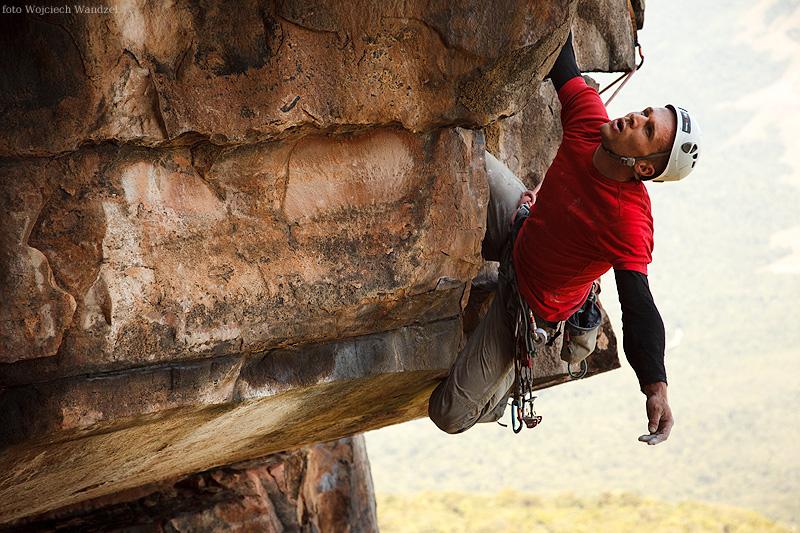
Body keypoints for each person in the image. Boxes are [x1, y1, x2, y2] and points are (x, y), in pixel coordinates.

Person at [428, 32, 702, 446]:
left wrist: (655, 386)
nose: (633, 117)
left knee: (448, 414)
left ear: (644, 169)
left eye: (646, 130)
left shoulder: (628, 220)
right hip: (521, 231)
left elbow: (639, 304)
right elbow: (563, 60)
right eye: (645, 113)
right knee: (459, 154)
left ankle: (501, 393)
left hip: (528, 303)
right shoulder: (591, 123)